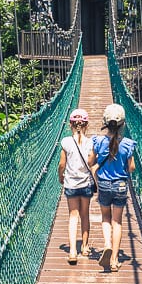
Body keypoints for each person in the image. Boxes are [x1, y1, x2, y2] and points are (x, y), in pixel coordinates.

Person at [88, 103, 136, 272]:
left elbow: (91, 162)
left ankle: (107, 244)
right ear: (123, 124)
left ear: (105, 122)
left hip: (104, 184)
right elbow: (131, 168)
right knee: (117, 222)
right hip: (121, 185)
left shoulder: (98, 140)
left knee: (105, 218)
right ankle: (114, 260)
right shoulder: (128, 143)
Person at [58, 108, 94, 264]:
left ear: (70, 125)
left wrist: (61, 177)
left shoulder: (66, 142)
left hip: (71, 183)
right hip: (85, 183)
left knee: (73, 216)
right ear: (86, 125)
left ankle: (72, 251)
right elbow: (92, 162)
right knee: (85, 214)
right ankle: (85, 247)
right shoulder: (91, 142)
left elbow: (61, 164)